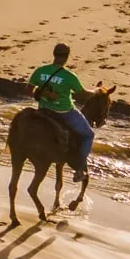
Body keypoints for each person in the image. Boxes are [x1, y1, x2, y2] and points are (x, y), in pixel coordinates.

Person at [28, 42, 94, 177]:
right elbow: (82, 93)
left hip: (43, 109)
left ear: (54, 54)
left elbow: (28, 90)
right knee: (88, 135)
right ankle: (80, 170)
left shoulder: (40, 71)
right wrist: (96, 92)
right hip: (64, 112)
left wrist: (44, 93)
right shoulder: (69, 76)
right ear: (67, 57)